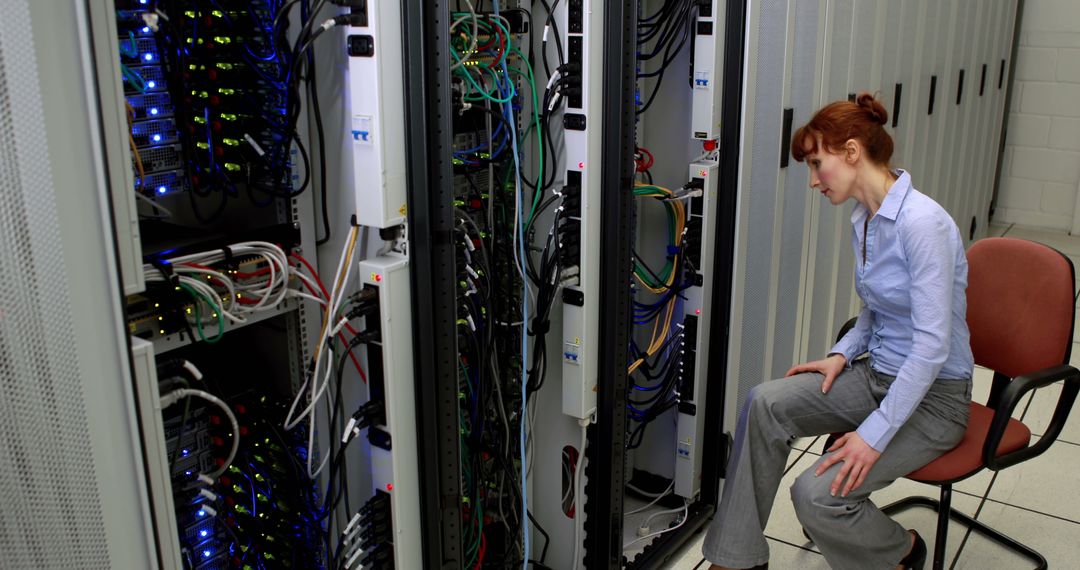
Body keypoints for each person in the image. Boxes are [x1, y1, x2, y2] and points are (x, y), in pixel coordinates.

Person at [702, 93, 974, 570]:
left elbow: (932, 348)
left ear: (851, 152)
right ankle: (736, 559)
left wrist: (873, 435)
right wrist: (842, 353)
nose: (812, 181)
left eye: (816, 163)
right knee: (765, 402)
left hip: (934, 399)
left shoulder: (923, 224)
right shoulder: (864, 219)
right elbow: (875, 309)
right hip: (877, 377)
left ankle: (900, 551)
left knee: (816, 494)